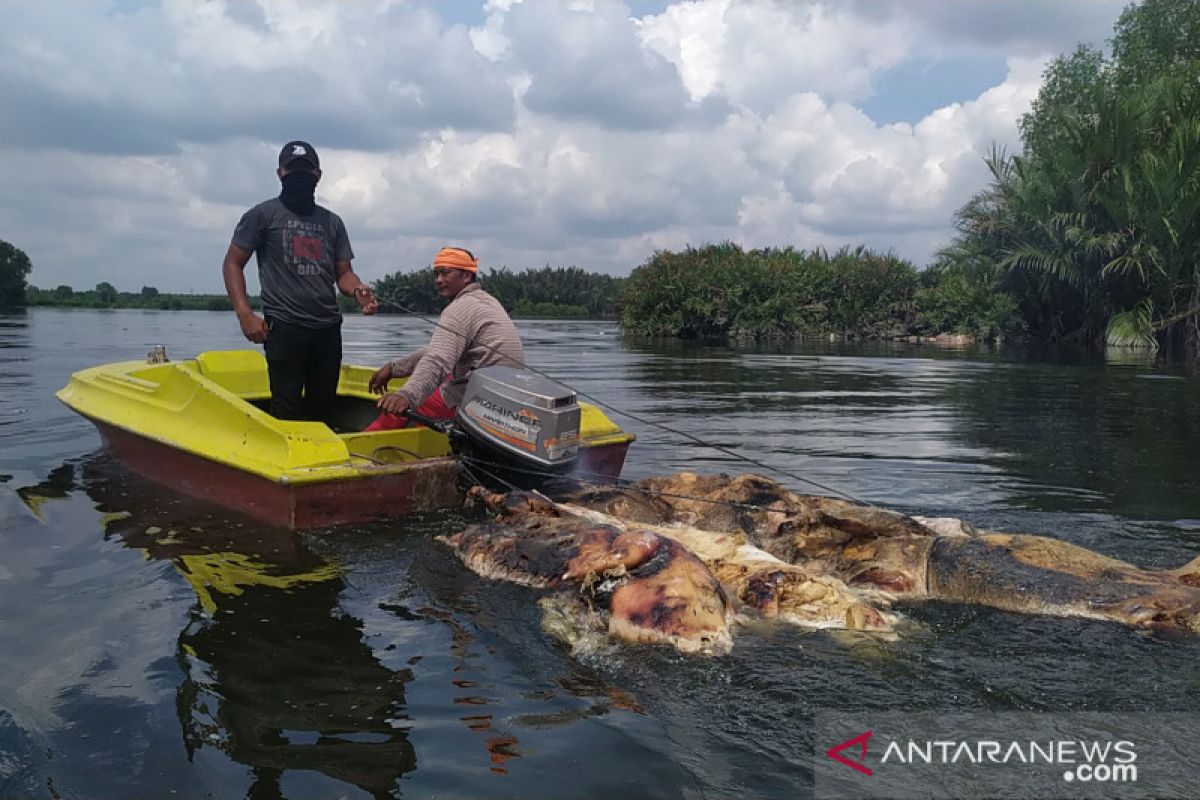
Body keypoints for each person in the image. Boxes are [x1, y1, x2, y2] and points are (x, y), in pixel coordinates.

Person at [221, 140, 378, 424]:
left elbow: (343, 272)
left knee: (323, 407)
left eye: (306, 170)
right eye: (293, 170)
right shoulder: (262, 216)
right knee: (286, 406)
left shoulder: (332, 222)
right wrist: (244, 314)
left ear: (318, 174)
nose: (300, 175)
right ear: (280, 173)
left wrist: (358, 290)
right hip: (285, 327)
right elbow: (232, 262)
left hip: (327, 329)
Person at [366, 247, 524, 430]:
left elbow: (437, 360)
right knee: (436, 384)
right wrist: (394, 368)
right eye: (436, 274)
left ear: (466, 276)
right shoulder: (487, 301)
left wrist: (406, 395)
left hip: (480, 401)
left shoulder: (459, 309)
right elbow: (438, 350)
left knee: (398, 408)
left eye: (445, 273)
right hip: (507, 396)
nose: (438, 280)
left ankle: (359, 451)